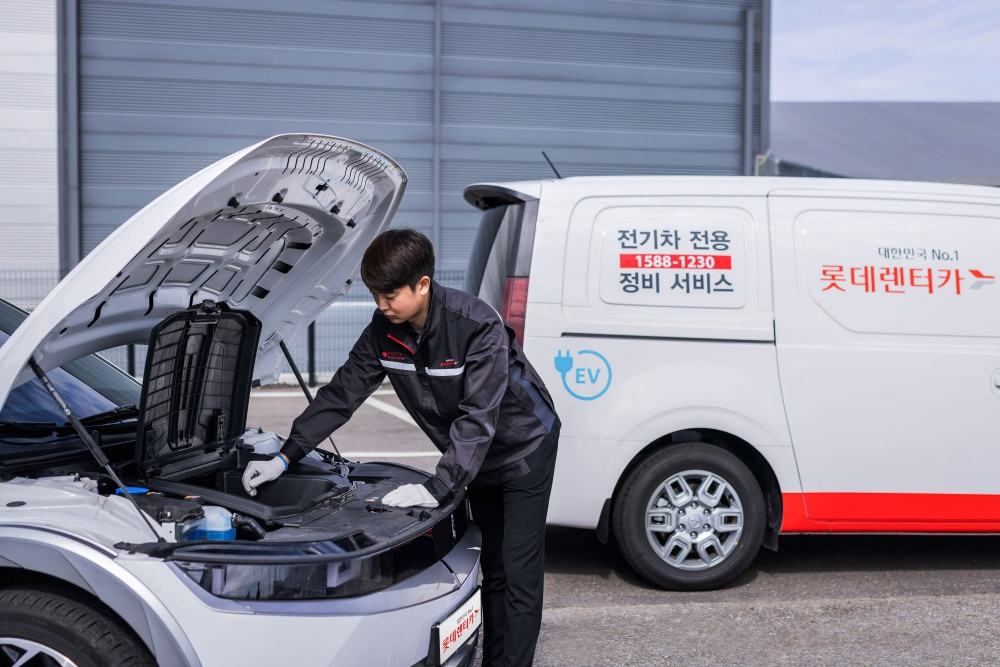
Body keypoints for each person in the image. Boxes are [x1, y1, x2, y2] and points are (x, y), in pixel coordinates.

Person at [242, 228, 560, 667]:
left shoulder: (476, 326)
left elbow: (478, 416)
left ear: (423, 284)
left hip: (523, 449)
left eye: (390, 295)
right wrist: (285, 455)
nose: (381, 305)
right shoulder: (383, 331)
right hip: (475, 459)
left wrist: (439, 485)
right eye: (376, 295)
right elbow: (342, 394)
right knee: (495, 567)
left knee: (519, 572)